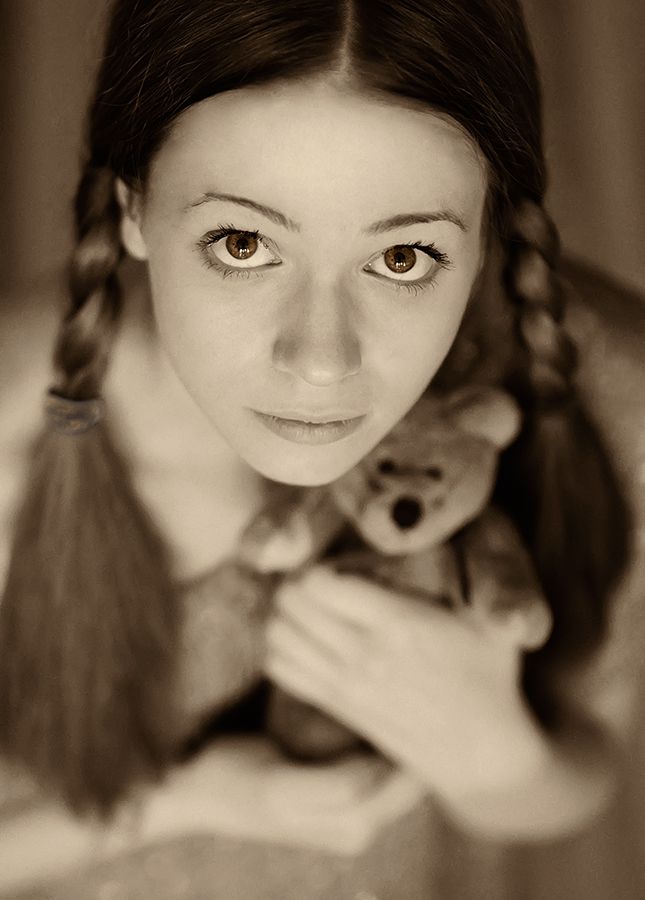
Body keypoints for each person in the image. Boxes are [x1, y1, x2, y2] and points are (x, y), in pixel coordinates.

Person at [0, 0, 639, 892]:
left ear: (488, 228)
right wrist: (196, 798)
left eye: (403, 258)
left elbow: (577, 781)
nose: (320, 360)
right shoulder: (16, 421)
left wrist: (491, 749)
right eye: (241, 243)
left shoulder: (604, 388)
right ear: (133, 205)